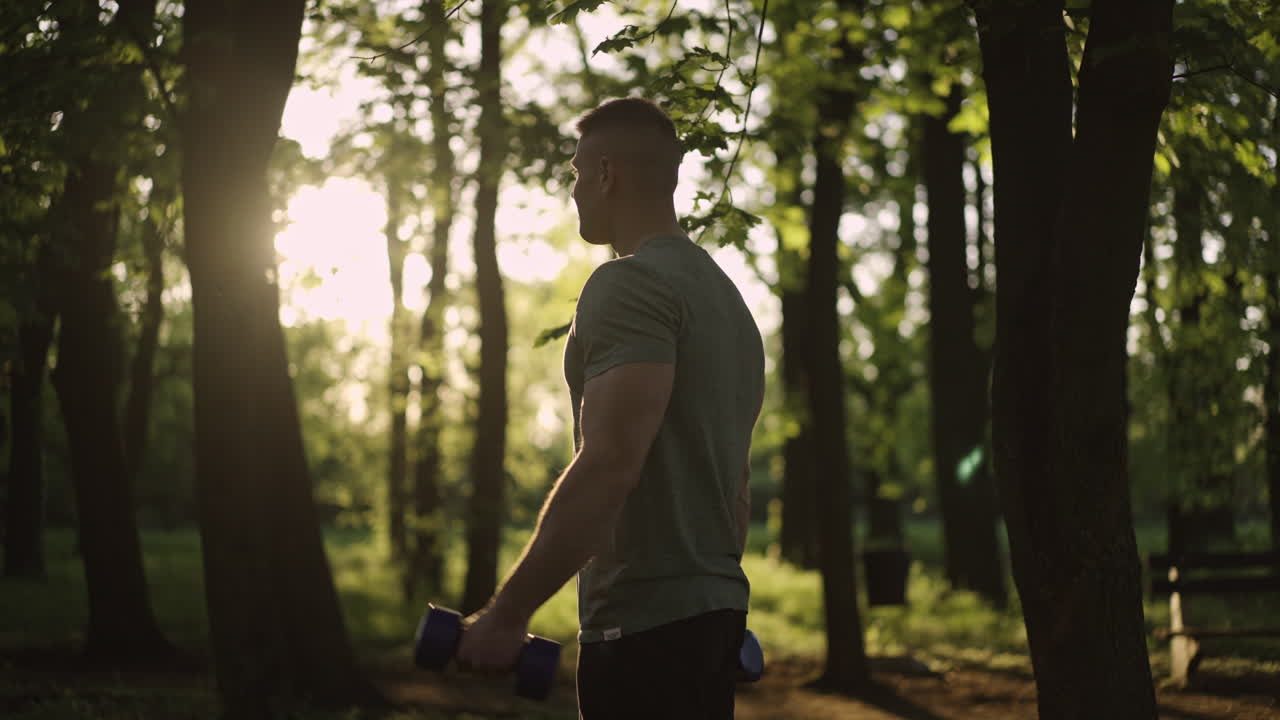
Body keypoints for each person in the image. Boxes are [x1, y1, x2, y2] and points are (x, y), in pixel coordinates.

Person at [456, 96, 765, 719]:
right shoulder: (730, 305)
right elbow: (735, 490)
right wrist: (714, 609)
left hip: (646, 632)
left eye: (574, 173)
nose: (572, 191)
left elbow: (611, 463)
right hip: (713, 619)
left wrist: (507, 614)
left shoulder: (628, 285)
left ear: (606, 173)